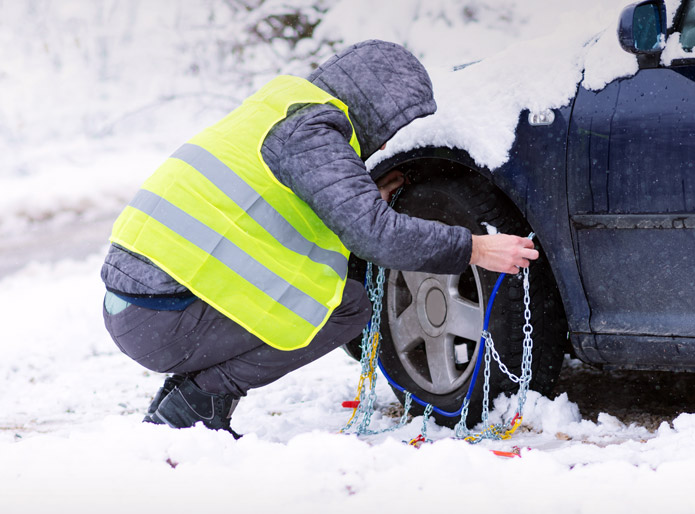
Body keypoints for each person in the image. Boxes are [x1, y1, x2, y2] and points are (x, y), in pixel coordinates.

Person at [101, 39, 538, 437]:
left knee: (324, 297)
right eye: (389, 129)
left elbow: (278, 208)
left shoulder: (281, 109)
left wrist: (360, 196)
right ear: (378, 108)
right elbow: (377, 237)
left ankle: (185, 394)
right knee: (345, 309)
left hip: (141, 306)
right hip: (161, 319)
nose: (384, 142)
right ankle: (199, 402)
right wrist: (475, 248)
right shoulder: (311, 135)